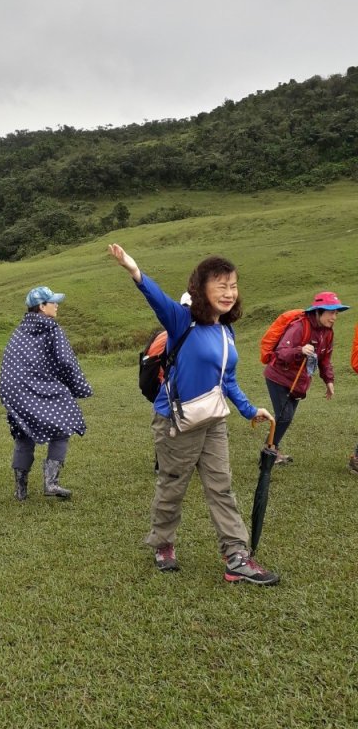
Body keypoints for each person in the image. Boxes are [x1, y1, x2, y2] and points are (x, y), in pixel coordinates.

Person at [108, 243, 279, 586]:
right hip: (176, 421)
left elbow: (226, 379)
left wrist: (248, 409)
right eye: (221, 285)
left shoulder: (226, 331)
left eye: (232, 285)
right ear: (201, 288)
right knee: (173, 486)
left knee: (222, 487)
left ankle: (237, 558)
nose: (229, 293)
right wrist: (133, 269)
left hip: (214, 420)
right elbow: (155, 297)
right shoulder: (181, 320)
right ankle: (163, 544)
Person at [0, 286, 93, 501]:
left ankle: (20, 490)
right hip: (34, 387)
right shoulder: (51, 328)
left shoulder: (19, 330)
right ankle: (51, 482)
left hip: (11, 389)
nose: (57, 305)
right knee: (64, 425)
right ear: (41, 306)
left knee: (24, 432)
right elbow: (66, 362)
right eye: (53, 302)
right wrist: (80, 388)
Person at [264, 292, 349, 465]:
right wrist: (299, 350)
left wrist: (329, 381)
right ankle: (268, 453)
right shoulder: (299, 327)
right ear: (318, 311)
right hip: (278, 377)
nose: (334, 317)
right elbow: (280, 353)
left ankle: (271, 450)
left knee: (285, 417)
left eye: (336, 313)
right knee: (285, 416)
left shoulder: (328, 333)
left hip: (298, 381)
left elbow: (325, 359)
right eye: (331, 312)